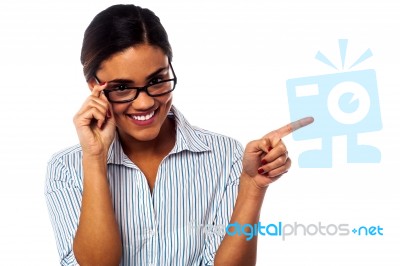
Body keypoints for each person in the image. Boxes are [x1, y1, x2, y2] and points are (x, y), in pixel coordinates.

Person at [45, 4, 312, 266]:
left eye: (157, 80)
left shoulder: (226, 155)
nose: (144, 103)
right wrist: (94, 158)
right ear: (94, 87)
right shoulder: (65, 169)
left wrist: (253, 187)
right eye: (122, 87)